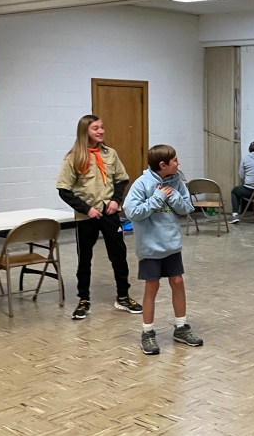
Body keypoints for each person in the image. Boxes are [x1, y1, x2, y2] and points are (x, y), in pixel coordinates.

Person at [56, 114, 140, 320]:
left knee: (118, 255)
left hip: (109, 212)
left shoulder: (110, 154)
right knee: (84, 258)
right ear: (85, 132)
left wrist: (116, 201)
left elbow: (122, 179)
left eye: (102, 127)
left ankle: (123, 296)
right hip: (87, 216)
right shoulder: (74, 157)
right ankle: (83, 299)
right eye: (95, 128)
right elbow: (64, 190)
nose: (101, 131)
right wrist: (86, 209)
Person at [123, 144, 203, 355]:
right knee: (152, 286)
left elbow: (187, 208)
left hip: (171, 244)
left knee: (177, 281)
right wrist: (157, 198)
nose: (178, 163)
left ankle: (181, 327)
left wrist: (173, 197)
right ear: (162, 165)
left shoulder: (177, 181)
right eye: (175, 160)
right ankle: (147, 332)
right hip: (150, 247)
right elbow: (132, 212)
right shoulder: (142, 184)